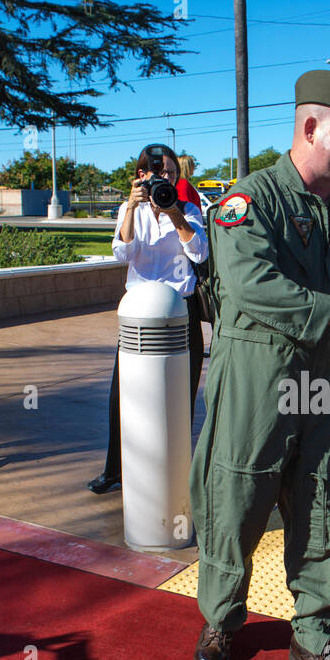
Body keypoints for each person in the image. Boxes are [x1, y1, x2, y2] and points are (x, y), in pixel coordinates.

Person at [189, 70, 330, 660]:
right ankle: (221, 620)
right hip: (254, 375)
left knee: (323, 504)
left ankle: (316, 634)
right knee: (235, 500)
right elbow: (251, 284)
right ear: (310, 127)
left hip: (323, 379)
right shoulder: (249, 200)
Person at [87, 144, 207, 495]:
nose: (165, 178)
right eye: (158, 172)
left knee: (180, 395)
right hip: (140, 314)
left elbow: (200, 252)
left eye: (171, 172)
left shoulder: (187, 209)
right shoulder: (131, 209)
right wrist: (131, 207)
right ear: (142, 176)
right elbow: (123, 252)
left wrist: (174, 213)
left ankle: (176, 472)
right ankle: (115, 470)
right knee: (123, 394)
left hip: (181, 311)